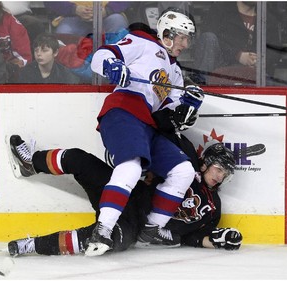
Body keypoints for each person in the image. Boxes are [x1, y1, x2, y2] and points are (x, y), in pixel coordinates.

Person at [6, 133, 242, 257]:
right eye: (219, 169)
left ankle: (33, 245)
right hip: (125, 192)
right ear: (206, 163)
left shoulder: (213, 208)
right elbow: (162, 133)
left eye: (226, 174)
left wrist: (219, 241)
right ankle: (31, 164)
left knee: (99, 239)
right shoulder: (185, 163)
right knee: (80, 159)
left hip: (134, 224)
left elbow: (193, 238)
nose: (220, 177)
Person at [87, 9, 204, 256]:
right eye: (181, 37)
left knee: (183, 171)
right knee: (131, 166)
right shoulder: (142, 42)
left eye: (188, 39)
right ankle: (103, 229)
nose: (185, 44)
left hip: (147, 124)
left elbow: (168, 115)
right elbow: (101, 55)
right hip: (124, 111)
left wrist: (186, 107)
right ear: (167, 33)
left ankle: (151, 229)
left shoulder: (175, 72)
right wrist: (112, 65)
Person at [189, 1, 282, 85]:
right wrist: (237, 55)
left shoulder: (268, 18)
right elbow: (206, 41)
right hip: (221, 66)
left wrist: (260, 61)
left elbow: (275, 51)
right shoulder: (220, 9)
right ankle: (201, 88)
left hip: (255, 73)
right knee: (208, 37)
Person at [44, 1, 129, 37]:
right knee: (64, 33)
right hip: (72, 16)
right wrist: (74, 9)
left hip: (109, 15)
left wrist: (107, 10)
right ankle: (69, 72)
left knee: (118, 23)